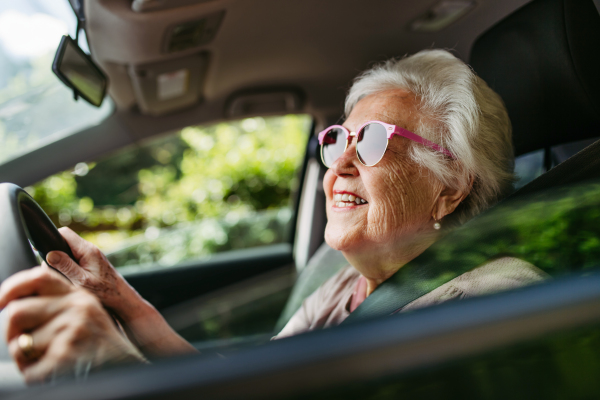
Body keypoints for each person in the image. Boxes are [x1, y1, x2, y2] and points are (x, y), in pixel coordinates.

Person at [0, 49, 548, 383]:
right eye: (338, 141)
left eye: (376, 141)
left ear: (450, 189)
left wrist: (111, 360)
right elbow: (251, 383)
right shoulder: (340, 288)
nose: (342, 165)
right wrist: (123, 301)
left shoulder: (494, 303)